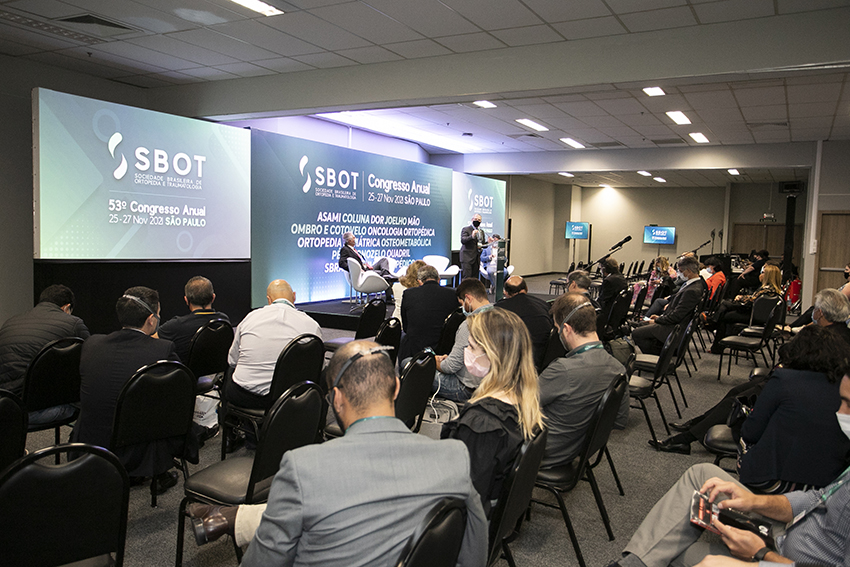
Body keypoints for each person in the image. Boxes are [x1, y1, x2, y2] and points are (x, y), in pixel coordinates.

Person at [190, 340, 488, 567]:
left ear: (336, 400)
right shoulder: (454, 457)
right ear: (396, 387)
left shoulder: (303, 468)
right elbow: (474, 553)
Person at [611, 371, 850, 567]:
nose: (839, 412)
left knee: (668, 551)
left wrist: (761, 555)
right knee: (701, 474)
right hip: (791, 532)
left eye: (848, 404)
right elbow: (817, 498)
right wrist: (754, 501)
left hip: (786, 558)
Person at [650, 288, 850, 456]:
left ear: (820, 313)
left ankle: (685, 439)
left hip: (795, 387)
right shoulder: (842, 334)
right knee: (735, 391)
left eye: (815, 309)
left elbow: (787, 353)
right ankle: (695, 424)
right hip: (800, 383)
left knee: (736, 399)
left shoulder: (819, 335)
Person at [71, 286, 189, 491]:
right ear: (151, 320)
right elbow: (182, 391)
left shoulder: (91, 343)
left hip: (91, 440)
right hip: (137, 445)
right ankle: (159, 471)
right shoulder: (162, 349)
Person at [441, 308, 545, 515]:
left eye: (471, 347)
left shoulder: (482, 424)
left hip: (469, 520)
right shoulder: (525, 399)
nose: (467, 352)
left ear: (492, 355)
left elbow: (464, 501)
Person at [737, 325, 850, 493]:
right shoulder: (844, 388)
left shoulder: (784, 379)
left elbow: (751, 432)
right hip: (827, 485)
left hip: (772, 481)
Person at [539, 292, 629, 469]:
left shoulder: (563, 370)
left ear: (567, 329)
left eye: (557, 328)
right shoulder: (618, 369)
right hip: (578, 451)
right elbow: (619, 421)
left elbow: (519, 406)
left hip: (543, 454)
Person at [0, 284, 90, 424]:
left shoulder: (11, 321)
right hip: (33, 410)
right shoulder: (73, 323)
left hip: (5, 405)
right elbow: (92, 356)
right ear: (66, 307)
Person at [225, 279, 322, 410]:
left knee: (231, 371)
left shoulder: (249, 318)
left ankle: (225, 418)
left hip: (247, 396)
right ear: (294, 296)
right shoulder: (311, 324)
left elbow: (232, 360)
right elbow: (317, 367)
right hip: (290, 396)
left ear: (269, 299)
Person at [632, 255, 706, 355]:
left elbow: (677, 316)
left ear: (688, 271)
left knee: (636, 333)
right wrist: (659, 318)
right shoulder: (695, 285)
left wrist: (657, 320)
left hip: (673, 328)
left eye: (681, 271)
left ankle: (660, 357)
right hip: (673, 323)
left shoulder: (692, 291)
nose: (679, 273)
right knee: (641, 325)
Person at [433, 279, 492, 403]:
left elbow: (450, 367)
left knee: (412, 366)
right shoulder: (502, 316)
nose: (462, 308)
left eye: (462, 303)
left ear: (468, 299)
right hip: (494, 386)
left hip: (467, 389)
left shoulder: (469, 325)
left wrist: (434, 361)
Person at [707, 264, 782, 354]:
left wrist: (741, 299)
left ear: (769, 276)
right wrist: (742, 298)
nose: (760, 275)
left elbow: (749, 303)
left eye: (763, 273)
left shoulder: (765, 290)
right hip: (756, 316)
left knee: (725, 312)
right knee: (725, 308)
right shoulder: (774, 291)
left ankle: (712, 323)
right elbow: (753, 298)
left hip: (753, 317)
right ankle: (714, 327)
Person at [157, 276, 230, 363]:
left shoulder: (175, 325)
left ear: (186, 300)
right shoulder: (223, 320)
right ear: (213, 297)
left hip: (186, 371)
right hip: (218, 369)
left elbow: (151, 340)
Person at [398, 264, 459, 362]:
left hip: (415, 351)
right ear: (438, 280)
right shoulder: (453, 294)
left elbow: (406, 326)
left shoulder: (409, 294)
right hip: (445, 350)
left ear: (419, 281)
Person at [496, 275, 553, 370]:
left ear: (505, 293)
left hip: (513, 362)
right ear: (526, 288)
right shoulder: (543, 304)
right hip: (543, 358)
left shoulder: (500, 309)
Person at [338, 232, 393, 301]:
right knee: (387, 277)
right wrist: (355, 270)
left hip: (367, 268)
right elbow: (341, 263)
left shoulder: (353, 250)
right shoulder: (345, 249)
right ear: (349, 240)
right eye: (354, 238)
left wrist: (366, 265)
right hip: (364, 272)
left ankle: (386, 274)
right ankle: (389, 296)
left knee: (383, 260)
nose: (355, 239)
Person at [460, 213, 486, 280]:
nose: (477, 221)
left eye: (479, 220)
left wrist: (490, 242)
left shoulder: (481, 232)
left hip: (476, 258)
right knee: (467, 278)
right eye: (475, 219)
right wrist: (472, 236)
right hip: (467, 257)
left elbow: (482, 243)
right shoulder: (466, 229)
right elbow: (463, 240)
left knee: (475, 279)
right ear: (472, 220)